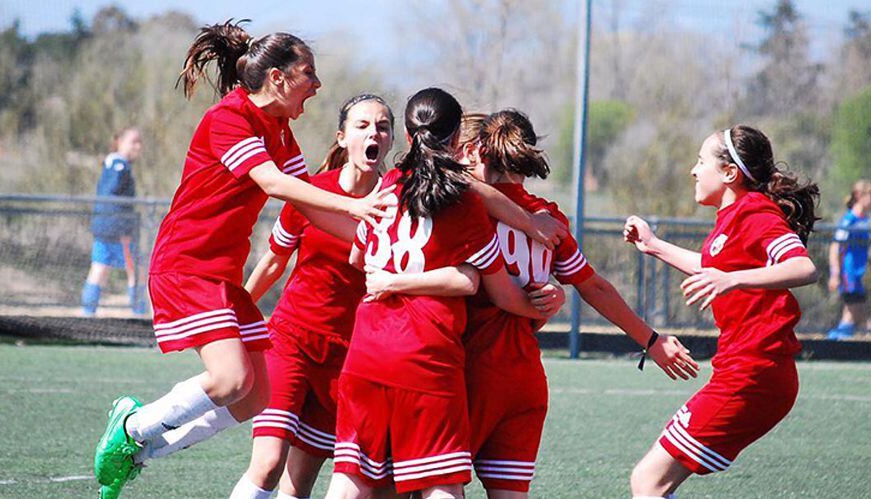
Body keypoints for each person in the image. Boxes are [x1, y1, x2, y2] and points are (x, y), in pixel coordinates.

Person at [93, 21, 395, 499]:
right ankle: (131, 426)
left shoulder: (281, 133)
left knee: (255, 394)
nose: (316, 85)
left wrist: (381, 240)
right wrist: (354, 205)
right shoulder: (229, 118)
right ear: (277, 78)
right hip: (187, 264)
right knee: (231, 378)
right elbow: (274, 184)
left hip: (222, 276)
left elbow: (308, 207)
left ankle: (140, 449)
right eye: (307, 73)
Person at [369, 109, 698, 498]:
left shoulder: (463, 207)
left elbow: (465, 280)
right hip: (525, 380)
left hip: (468, 374)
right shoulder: (550, 218)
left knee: (408, 489)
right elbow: (594, 287)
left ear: (475, 152)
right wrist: (651, 340)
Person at [326, 88, 560, 499]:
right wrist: (540, 307)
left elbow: (357, 256)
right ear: (456, 141)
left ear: (408, 134)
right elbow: (477, 283)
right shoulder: (461, 201)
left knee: (353, 481)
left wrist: (391, 278)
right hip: (425, 357)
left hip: (365, 352)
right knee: (441, 484)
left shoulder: (390, 185)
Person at [623, 125, 819, 498]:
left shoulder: (756, 213)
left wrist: (733, 281)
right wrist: (652, 245)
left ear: (730, 173)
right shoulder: (733, 218)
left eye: (701, 161)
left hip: (754, 374)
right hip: (744, 371)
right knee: (652, 482)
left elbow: (803, 268)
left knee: (648, 480)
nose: (693, 171)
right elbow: (713, 267)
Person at [225, 93, 396, 499]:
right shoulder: (309, 195)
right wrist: (234, 319)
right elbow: (271, 263)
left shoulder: (396, 203)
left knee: (298, 484)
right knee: (267, 465)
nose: (374, 132)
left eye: (383, 126)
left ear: (391, 141)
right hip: (291, 341)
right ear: (341, 138)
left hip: (349, 357)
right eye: (362, 125)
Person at [81, 128, 145, 316]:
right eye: (133, 141)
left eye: (139, 142)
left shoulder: (114, 163)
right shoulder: (118, 166)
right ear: (120, 142)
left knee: (100, 269)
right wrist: (122, 227)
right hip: (118, 231)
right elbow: (111, 193)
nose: (138, 146)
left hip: (105, 229)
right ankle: (139, 314)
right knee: (136, 271)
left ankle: (87, 314)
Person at [827, 180, 871, 340]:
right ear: (859, 196)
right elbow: (836, 246)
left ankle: (844, 341)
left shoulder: (864, 220)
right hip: (849, 272)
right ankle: (835, 341)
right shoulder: (849, 220)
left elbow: (860, 247)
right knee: (853, 311)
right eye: (870, 196)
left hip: (858, 273)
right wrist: (835, 273)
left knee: (859, 312)